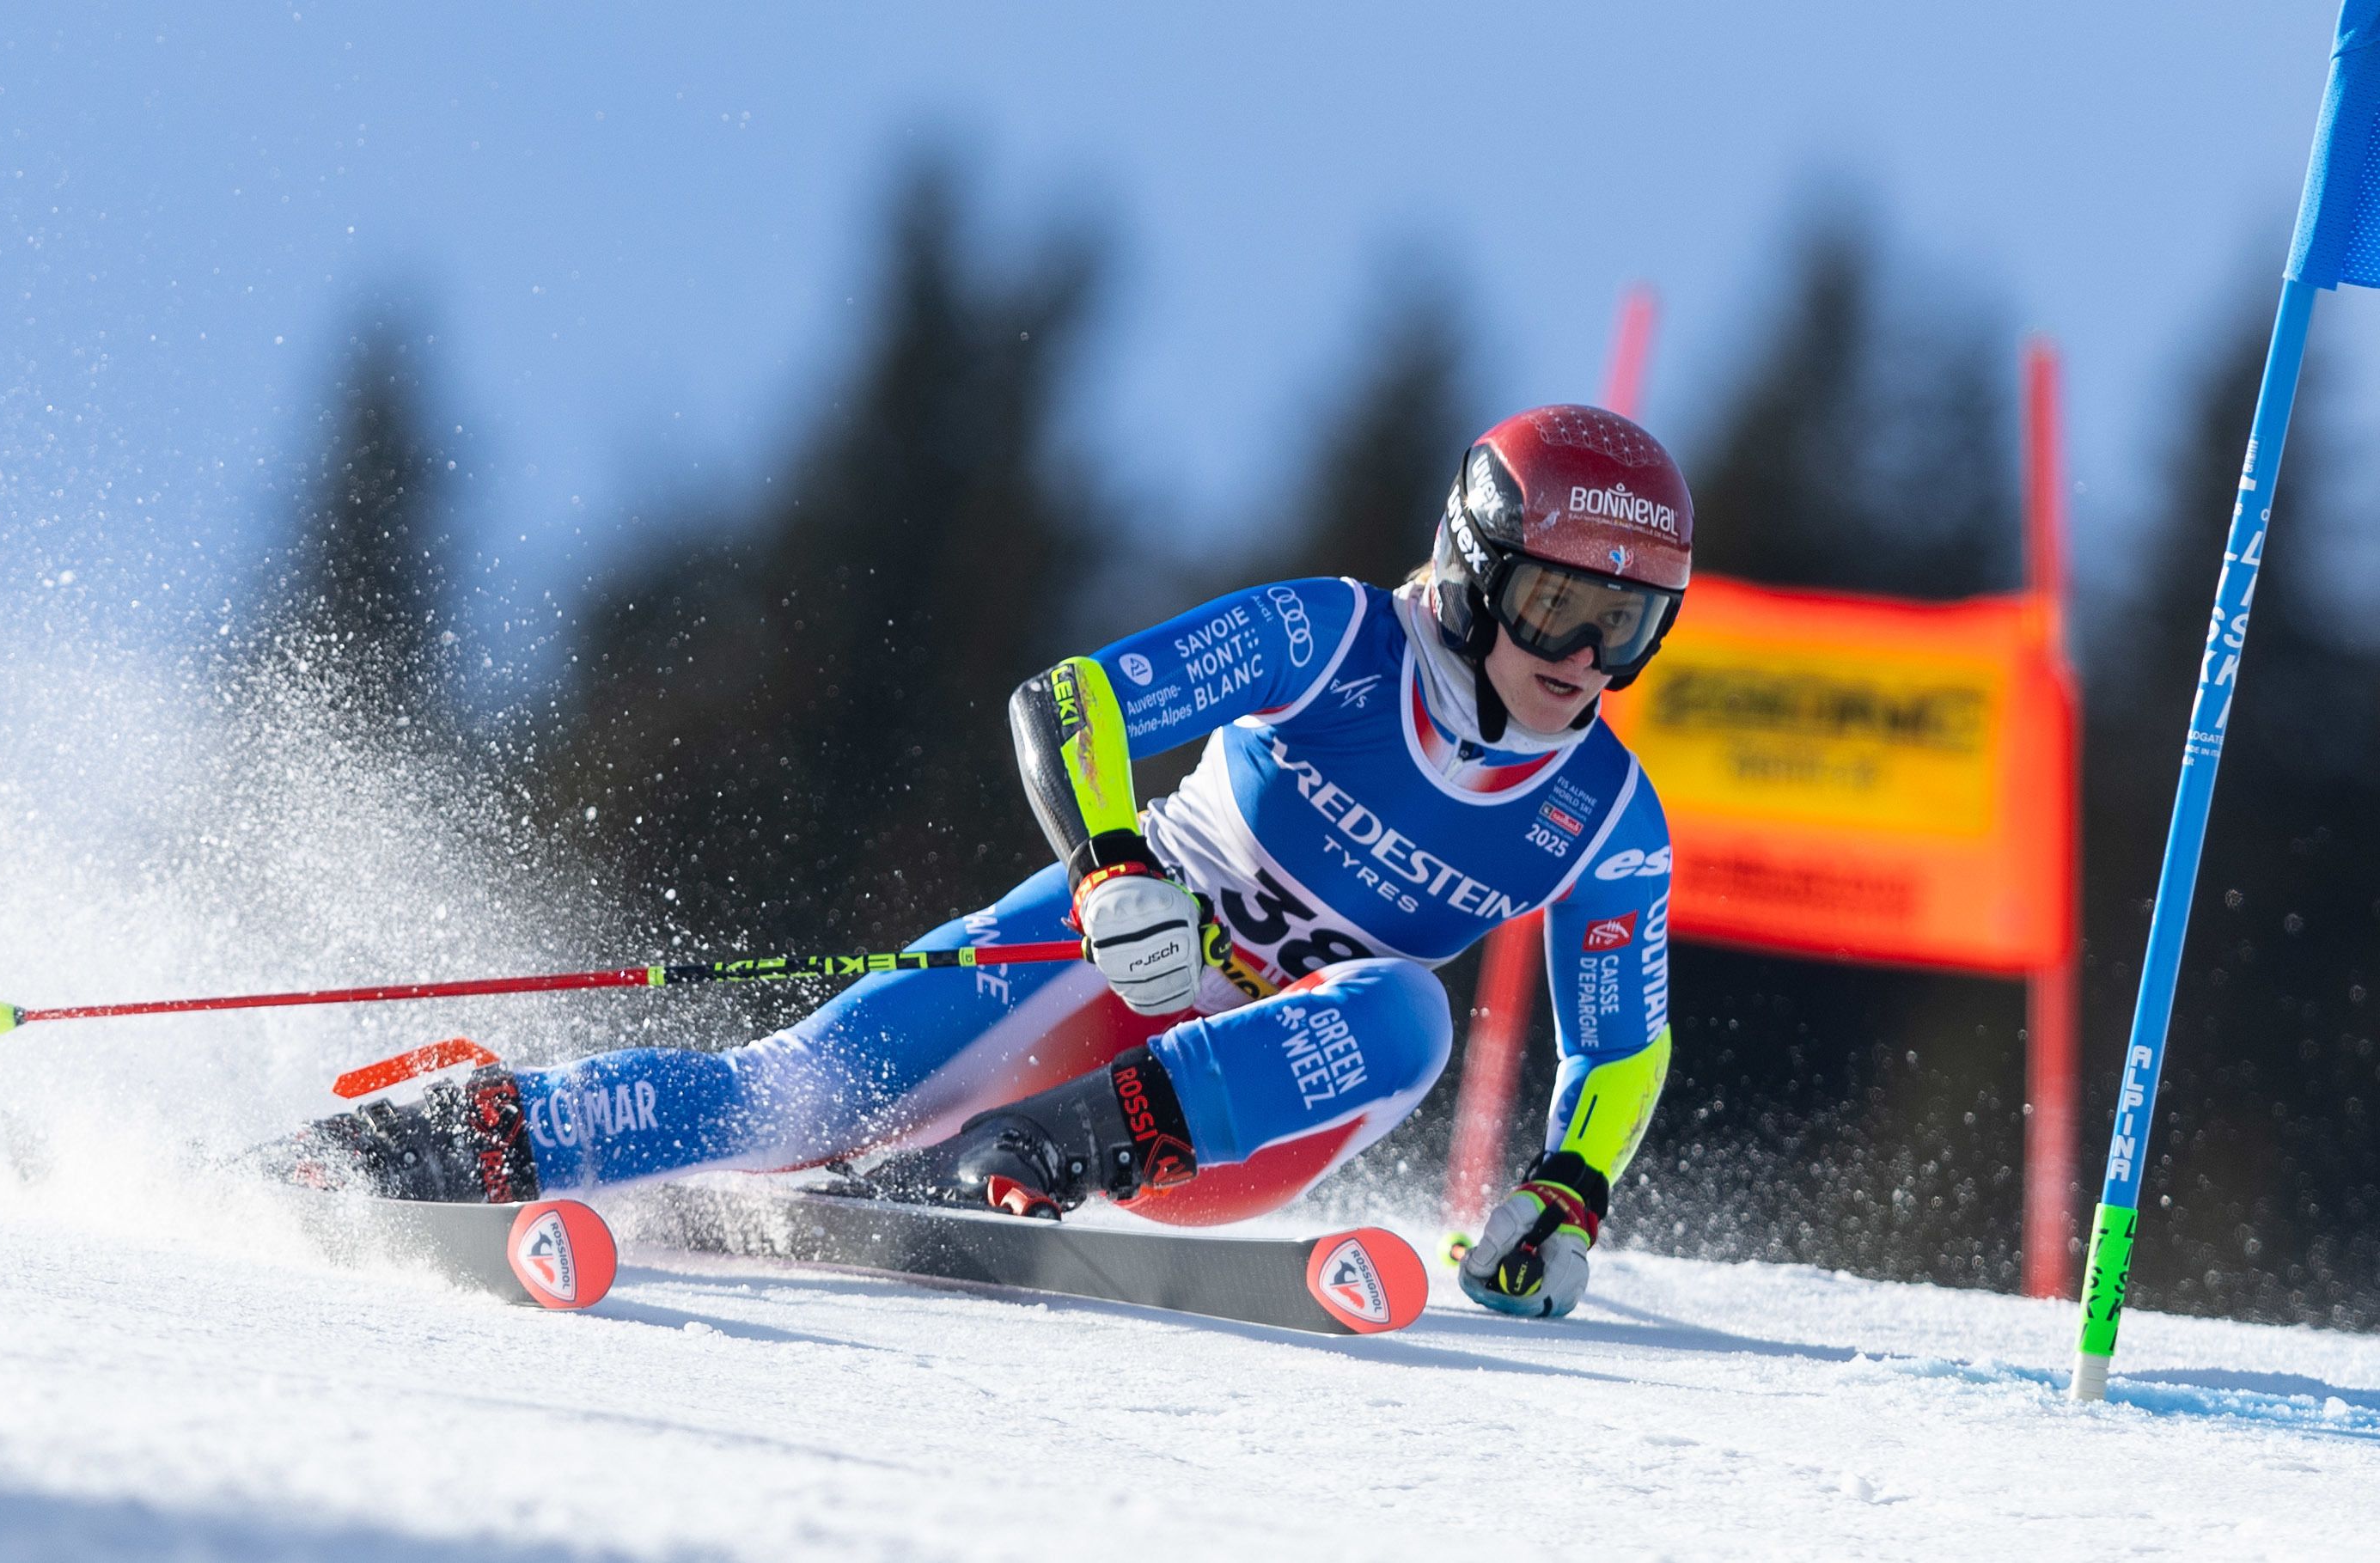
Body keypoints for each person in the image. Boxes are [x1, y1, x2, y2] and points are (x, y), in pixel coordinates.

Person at [296, 403, 1690, 1319]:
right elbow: (1071, 704)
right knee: (790, 1093)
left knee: (1406, 1011)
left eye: (1625, 629)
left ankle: (1026, 1152)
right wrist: (1107, 867)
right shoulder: (1333, 638)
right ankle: (443, 1136)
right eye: (1557, 607)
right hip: (1114, 950)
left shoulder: (1610, 817)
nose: (1580, 661)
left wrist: (1564, 1192)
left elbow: (1621, 1041)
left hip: (1242, 1106)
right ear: (1472, 566)